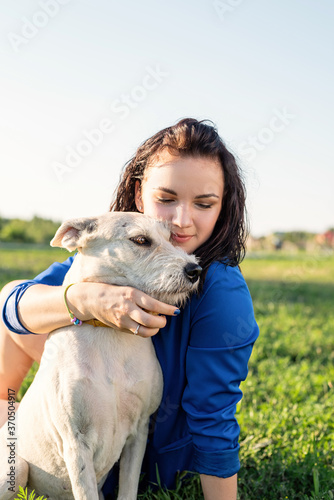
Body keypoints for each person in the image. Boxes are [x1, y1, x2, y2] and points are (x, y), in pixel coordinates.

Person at [0, 118, 259, 500]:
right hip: (84, 414)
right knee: (29, 318)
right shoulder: (111, 251)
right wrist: (83, 300)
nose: (181, 221)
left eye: (204, 203)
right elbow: (12, 304)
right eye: (166, 199)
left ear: (223, 207)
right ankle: (7, 429)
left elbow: (215, 415)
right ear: (140, 196)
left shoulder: (220, 289)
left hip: (151, 456)